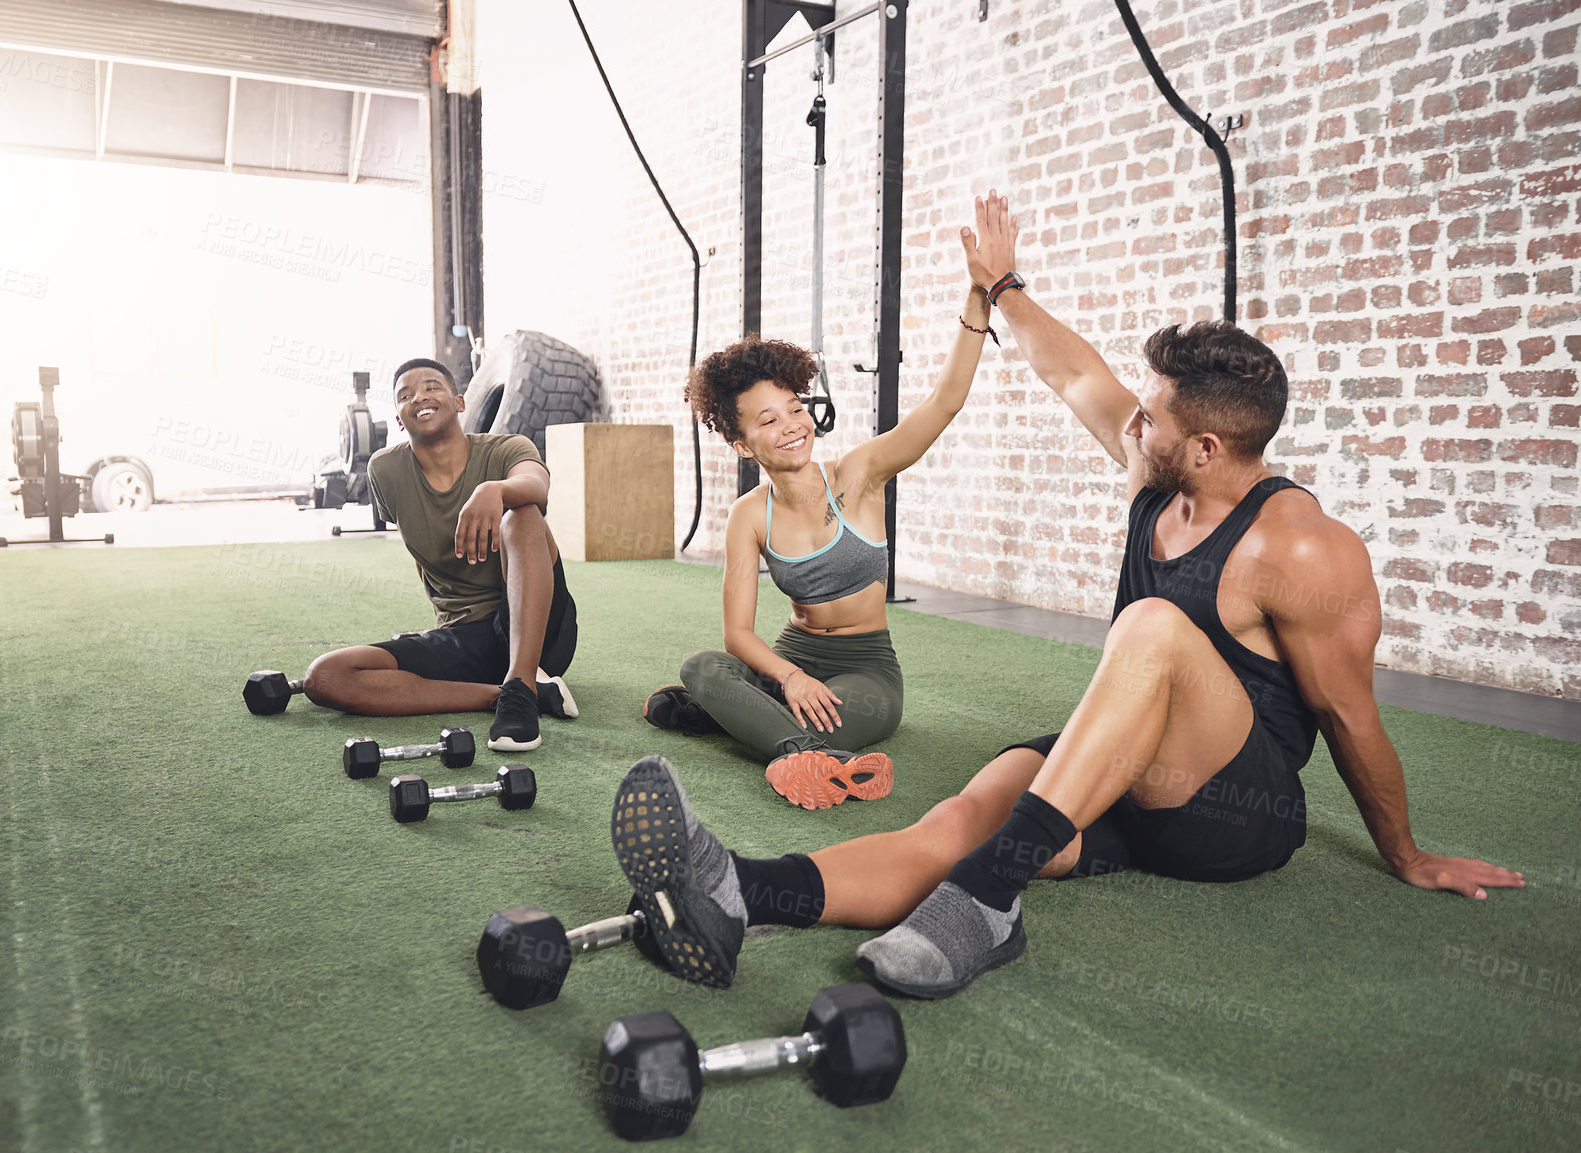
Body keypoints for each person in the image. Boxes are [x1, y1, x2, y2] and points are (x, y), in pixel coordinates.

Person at [608, 190, 1524, 999]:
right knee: (967, 811)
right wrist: (1003, 289)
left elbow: (1352, 718)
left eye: (1153, 415)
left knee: (1156, 625)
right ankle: (739, 892)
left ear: (1205, 448)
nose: (1135, 418)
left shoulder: (1306, 547)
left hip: (1234, 815)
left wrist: (1406, 854)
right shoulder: (1157, 473)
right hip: (1128, 773)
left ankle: (987, 903)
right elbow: (1075, 373)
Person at [646, 193, 1013, 810]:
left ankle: (770, 735)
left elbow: (944, 403)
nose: (792, 426)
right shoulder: (748, 516)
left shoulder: (860, 474)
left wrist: (981, 296)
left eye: (795, 408)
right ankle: (805, 757)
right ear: (741, 445)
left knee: (840, 719)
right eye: (768, 420)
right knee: (703, 668)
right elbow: (738, 634)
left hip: (866, 668)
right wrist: (787, 676)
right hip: (791, 657)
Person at [299, 357, 578, 752]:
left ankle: (521, 687)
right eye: (405, 395)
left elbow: (536, 487)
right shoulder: (386, 471)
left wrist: (493, 491)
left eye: (432, 387)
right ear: (398, 418)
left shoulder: (508, 448)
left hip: (541, 630)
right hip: (464, 637)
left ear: (459, 402)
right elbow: (421, 550)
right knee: (326, 676)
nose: (420, 397)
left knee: (523, 517)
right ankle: (505, 694)